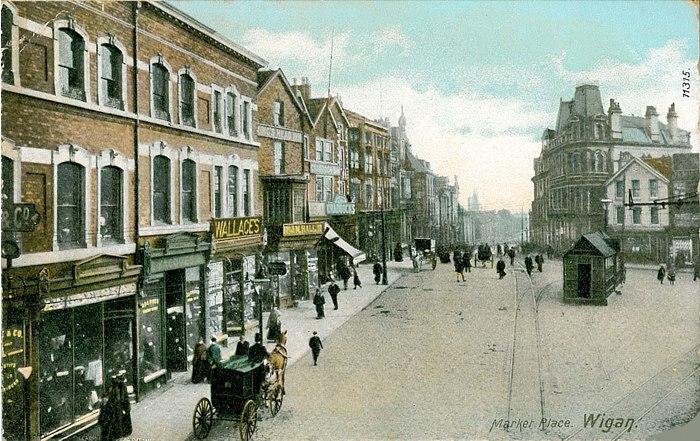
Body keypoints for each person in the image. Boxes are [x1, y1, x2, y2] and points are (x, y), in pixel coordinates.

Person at [98, 374, 132, 441]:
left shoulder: (120, 386)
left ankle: (116, 436)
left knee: (115, 425)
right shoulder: (115, 386)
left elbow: (124, 398)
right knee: (114, 425)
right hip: (113, 409)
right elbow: (124, 399)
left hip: (115, 409)